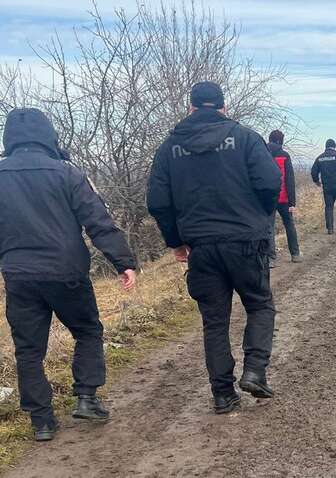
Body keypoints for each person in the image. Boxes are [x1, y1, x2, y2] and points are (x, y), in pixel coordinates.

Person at [0, 108, 136, 441]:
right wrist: (123, 262)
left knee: (28, 349)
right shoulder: (67, 173)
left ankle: (41, 421)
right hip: (67, 272)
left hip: (18, 274)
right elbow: (98, 221)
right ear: (48, 136)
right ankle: (87, 398)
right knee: (88, 330)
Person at [147, 82, 280, 414]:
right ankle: (255, 370)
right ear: (223, 107)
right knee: (260, 304)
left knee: (215, 321)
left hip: (201, 248)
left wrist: (176, 242)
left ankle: (222, 395)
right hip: (247, 241)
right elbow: (270, 183)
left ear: (191, 108)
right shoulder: (246, 138)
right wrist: (259, 217)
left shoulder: (169, 148)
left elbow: (158, 202)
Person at [268, 130, 301, 263]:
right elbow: (289, 180)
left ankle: (270, 258)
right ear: (280, 141)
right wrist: (292, 202)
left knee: (269, 227)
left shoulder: (262, 154)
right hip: (283, 198)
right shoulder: (285, 155)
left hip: (267, 198)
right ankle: (295, 254)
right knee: (289, 225)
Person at [311, 139, 336, 234]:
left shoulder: (320, 158)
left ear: (326, 146)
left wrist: (317, 181)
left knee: (329, 206)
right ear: (334, 146)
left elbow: (313, 172)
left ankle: (330, 228)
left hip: (327, 187)